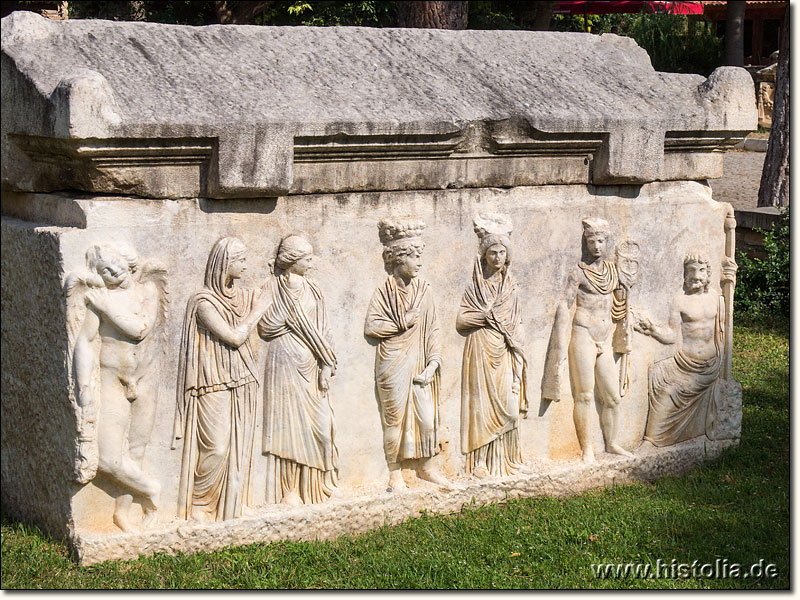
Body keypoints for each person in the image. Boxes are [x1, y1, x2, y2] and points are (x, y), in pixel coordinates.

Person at [68, 242, 167, 532]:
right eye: (106, 271)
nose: (115, 272)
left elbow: (140, 329)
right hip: (111, 380)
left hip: (144, 380)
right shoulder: (99, 298)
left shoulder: (144, 291)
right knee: (109, 460)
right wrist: (84, 385)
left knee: (135, 451)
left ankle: (123, 514)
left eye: (116, 264)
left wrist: (104, 306)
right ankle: (151, 491)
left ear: (127, 260)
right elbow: (85, 341)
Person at [173, 237, 270, 522]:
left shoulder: (241, 297)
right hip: (212, 383)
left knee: (240, 446)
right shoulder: (203, 303)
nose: (245, 265)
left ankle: (235, 503)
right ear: (223, 264)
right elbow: (234, 336)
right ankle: (202, 505)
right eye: (239, 260)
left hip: (242, 379)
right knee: (215, 447)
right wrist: (258, 311)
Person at [542, 218, 634, 463]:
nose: (596, 246)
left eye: (601, 241)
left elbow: (620, 303)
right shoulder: (578, 272)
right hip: (583, 334)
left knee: (612, 396)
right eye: (592, 241)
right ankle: (587, 448)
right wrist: (559, 344)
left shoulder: (615, 271)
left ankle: (612, 442)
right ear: (586, 243)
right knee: (583, 394)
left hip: (605, 337)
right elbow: (565, 304)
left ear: (607, 243)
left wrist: (625, 297)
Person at [364, 218, 447, 489]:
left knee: (426, 418)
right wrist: (401, 323)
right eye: (413, 257)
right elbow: (372, 327)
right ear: (399, 259)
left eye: (419, 256)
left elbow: (433, 328)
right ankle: (394, 470)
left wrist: (433, 364)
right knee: (394, 419)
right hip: (392, 362)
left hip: (421, 362)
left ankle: (427, 467)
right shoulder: (383, 291)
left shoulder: (425, 290)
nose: (419, 262)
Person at [259, 234, 339, 506]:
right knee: (288, 428)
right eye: (306, 258)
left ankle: (318, 485)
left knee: (320, 425)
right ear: (292, 260)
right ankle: (291, 491)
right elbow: (265, 326)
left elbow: (324, 328)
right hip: (283, 361)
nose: (311, 262)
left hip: (312, 361)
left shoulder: (313, 289)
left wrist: (327, 364)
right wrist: (289, 318)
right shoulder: (272, 287)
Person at [457, 213, 527, 478]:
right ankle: (480, 463)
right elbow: (461, 320)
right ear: (484, 255)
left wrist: (518, 346)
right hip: (479, 348)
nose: (497, 257)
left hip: (505, 350)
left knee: (508, 403)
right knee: (481, 407)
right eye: (492, 252)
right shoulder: (475, 287)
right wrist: (482, 316)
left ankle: (508, 459)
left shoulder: (511, 287)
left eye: (501, 252)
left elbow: (517, 321)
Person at [635, 252, 726, 446]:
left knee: (669, 392)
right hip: (683, 362)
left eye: (701, 270)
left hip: (709, 366)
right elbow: (671, 335)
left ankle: (652, 441)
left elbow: (723, 330)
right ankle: (653, 440)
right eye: (691, 270)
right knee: (658, 377)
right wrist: (651, 329)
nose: (696, 275)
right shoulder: (680, 300)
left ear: (708, 274)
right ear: (685, 274)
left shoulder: (716, 299)